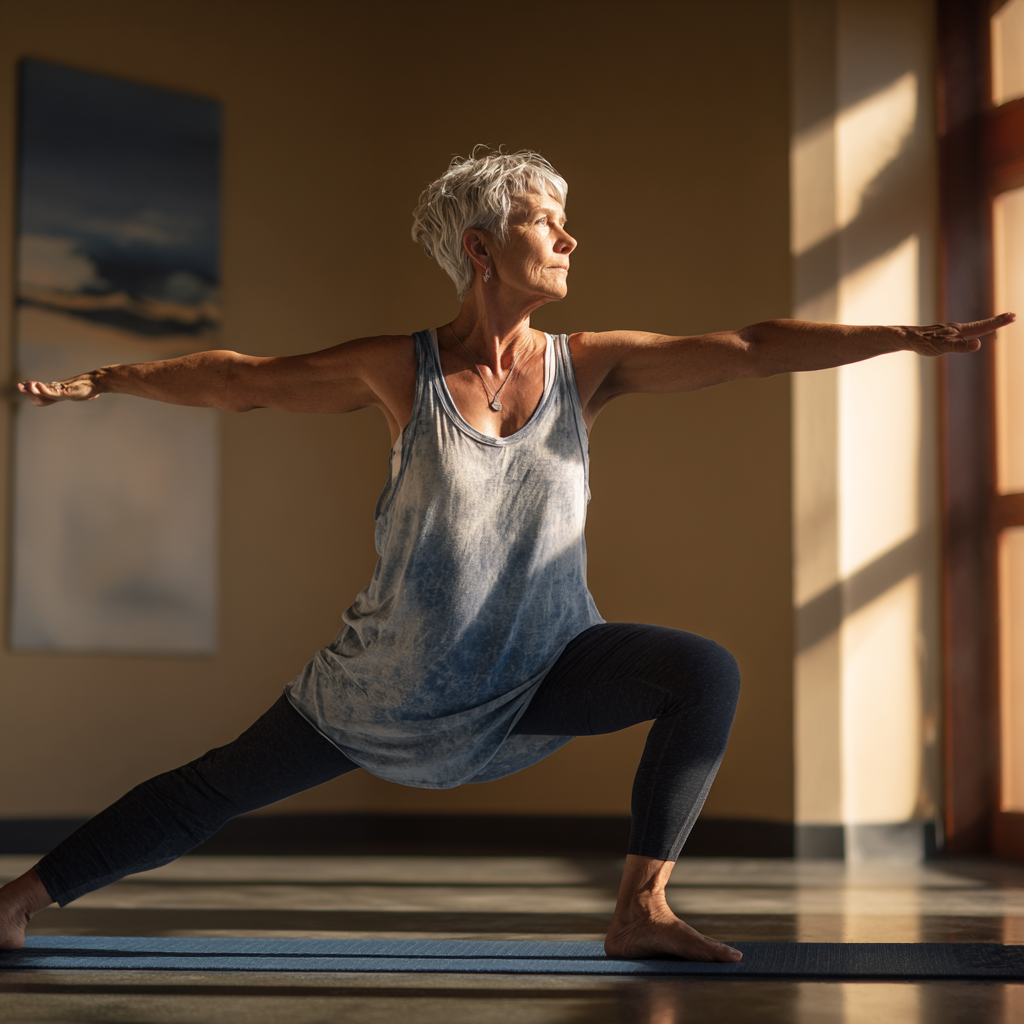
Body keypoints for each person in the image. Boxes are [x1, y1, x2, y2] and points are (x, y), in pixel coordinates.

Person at [0, 149, 1011, 961]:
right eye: (544, 219)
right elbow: (243, 379)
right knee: (206, 792)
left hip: (539, 668)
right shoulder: (402, 371)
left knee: (702, 671)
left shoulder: (587, 366)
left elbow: (748, 346)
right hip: (389, 684)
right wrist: (106, 379)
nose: (569, 236)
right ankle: (16, 899)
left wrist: (901, 335)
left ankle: (639, 909)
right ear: (482, 250)